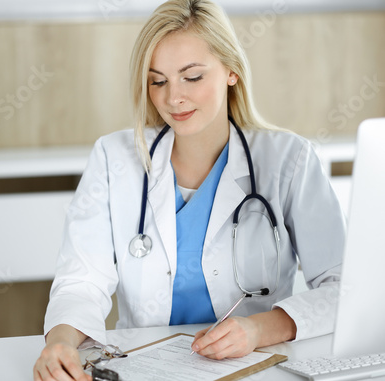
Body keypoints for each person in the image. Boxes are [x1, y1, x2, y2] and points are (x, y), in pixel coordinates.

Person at [33, 0, 346, 380]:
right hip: (145, 368)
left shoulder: (287, 160)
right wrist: (61, 343)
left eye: (192, 77)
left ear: (231, 71)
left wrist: (262, 328)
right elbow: (81, 282)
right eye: (158, 80)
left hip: (255, 368)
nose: (172, 98)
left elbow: (343, 286)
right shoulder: (114, 158)